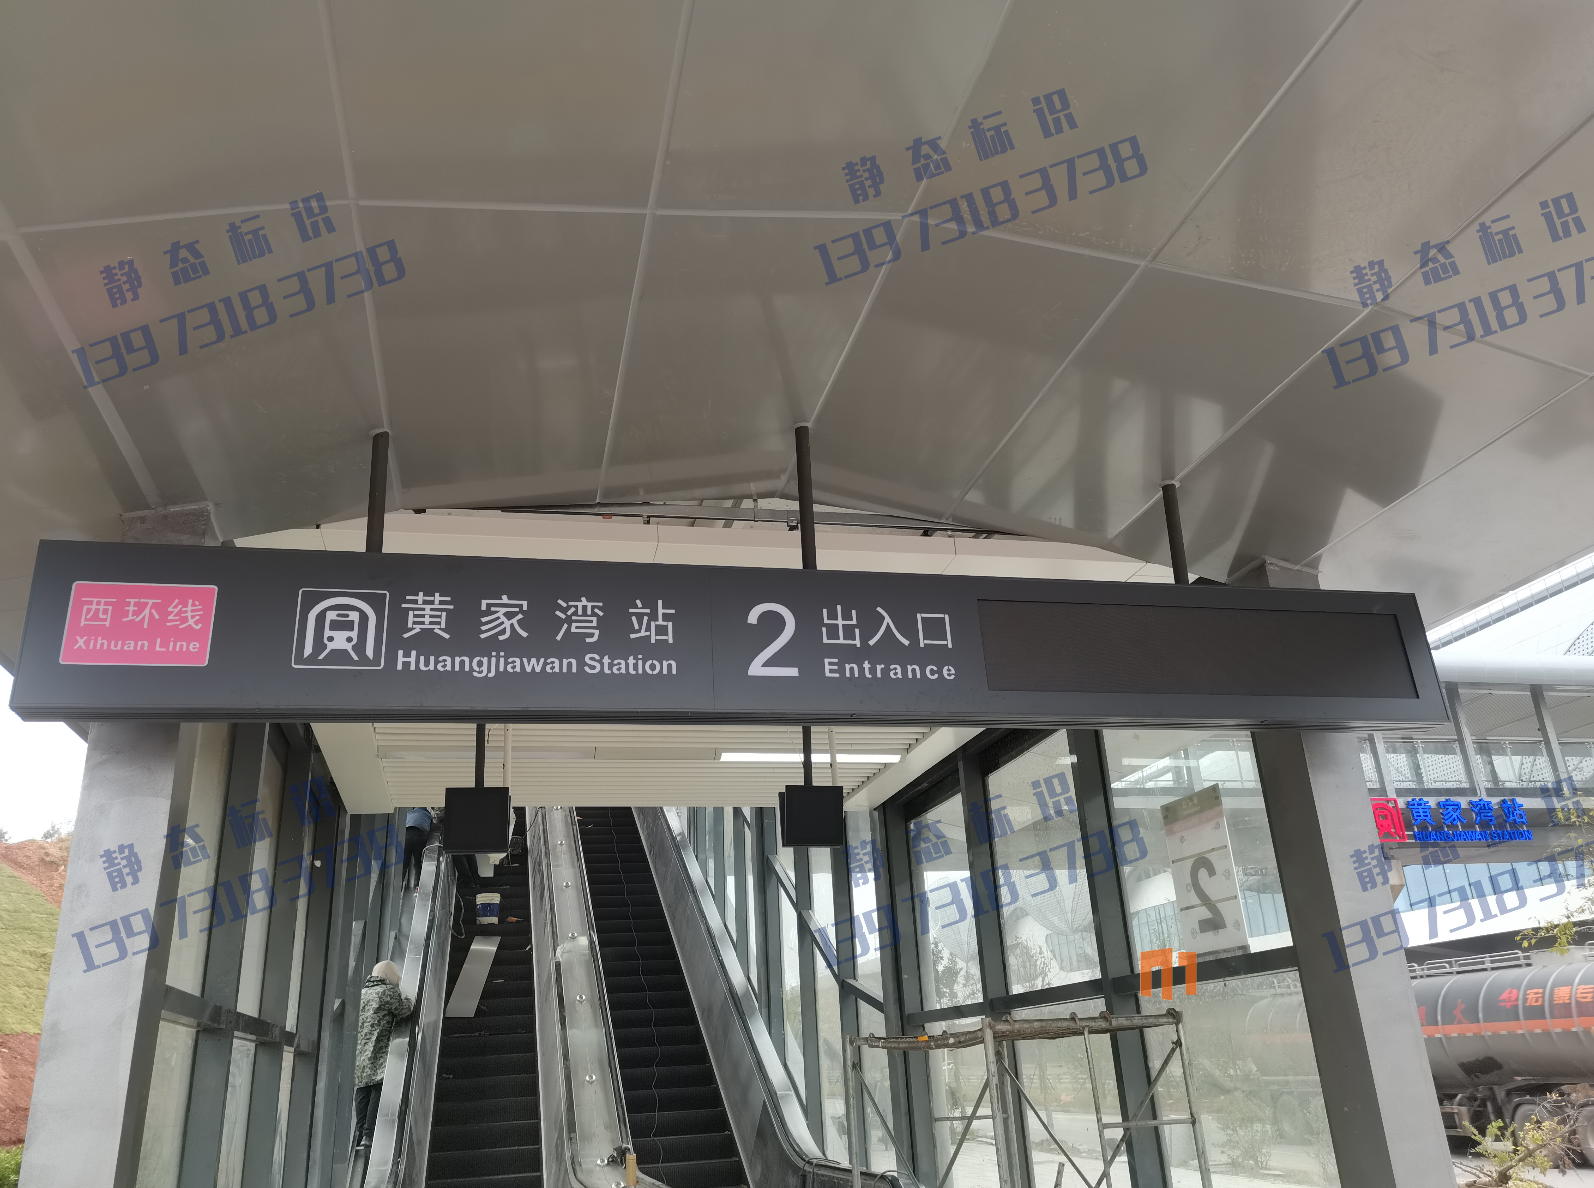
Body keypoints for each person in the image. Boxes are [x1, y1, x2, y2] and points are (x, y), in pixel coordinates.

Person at [353, 960, 412, 1149]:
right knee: (377, 1088)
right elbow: (403, 1010)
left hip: (360, 1050)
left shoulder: (362, 993)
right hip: (378, 1047)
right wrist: (409, 999)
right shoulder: (386, 992)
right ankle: (368, 1135)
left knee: (362, 1090)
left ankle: (359, 1134)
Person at [403, 806, 433, 888]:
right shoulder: (428, 815)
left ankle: (399, 885)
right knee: (418, 862)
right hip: (420, 835)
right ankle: (417, 886)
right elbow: (431, 829)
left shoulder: (409, 813)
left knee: (404, 862)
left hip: (407, 835)